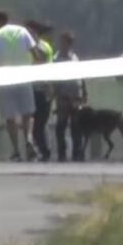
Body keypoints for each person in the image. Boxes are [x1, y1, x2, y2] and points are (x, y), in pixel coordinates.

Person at [0, 11, 42, 161]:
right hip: (24, 77)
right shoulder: (22, 31)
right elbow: (36, 54)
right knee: (28, 113)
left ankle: (16, 150)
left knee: (10, 117)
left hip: (5, 79)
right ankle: (28, 138)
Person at [53, 31, 87, 162]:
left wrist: (84, 91)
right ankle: (62, 153)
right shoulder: (56, 59)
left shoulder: (75, 58)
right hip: (63, 95)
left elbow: (81, 75)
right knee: (61, 125)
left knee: (76, 126)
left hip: (76, 95)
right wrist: (56, 93)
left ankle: (77, 153)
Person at [26, 20, 55, 161]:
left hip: (41, 89)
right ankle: (42, 151)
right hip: (33, 88)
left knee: (39, 125)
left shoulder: (41, 47)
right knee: (35, 124)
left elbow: (43, 63)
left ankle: (45, 152)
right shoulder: (35, 46)